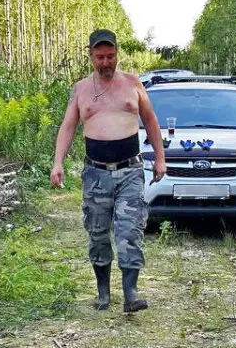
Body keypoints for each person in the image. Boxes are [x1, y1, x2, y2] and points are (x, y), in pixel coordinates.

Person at [50, 29, 167, 313]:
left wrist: (160, 159)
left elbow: (151, 122)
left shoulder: (132, 83)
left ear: (117, 55)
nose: (105, 62)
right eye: (100, 57)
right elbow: (68, 126)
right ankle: (103, 292)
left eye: (110, 56)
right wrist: (58, 162)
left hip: (130, 171)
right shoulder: (80, 89)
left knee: (130, 231)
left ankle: (131, 293)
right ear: (90, 56)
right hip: (96, 173)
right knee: (98, 232)